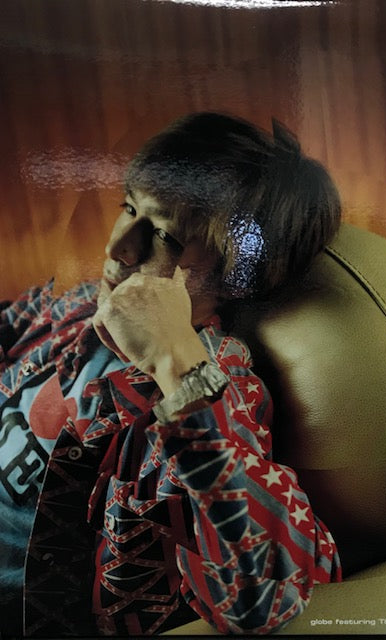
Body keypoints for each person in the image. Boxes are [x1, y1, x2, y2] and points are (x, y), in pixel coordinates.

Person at [0, 113, 342, 636]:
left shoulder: (216, 392)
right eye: (129, 208)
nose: (118, 247)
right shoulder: (78, 306)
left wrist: (175, 361)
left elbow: (271, 592)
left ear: (235, 277)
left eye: (162, 234)